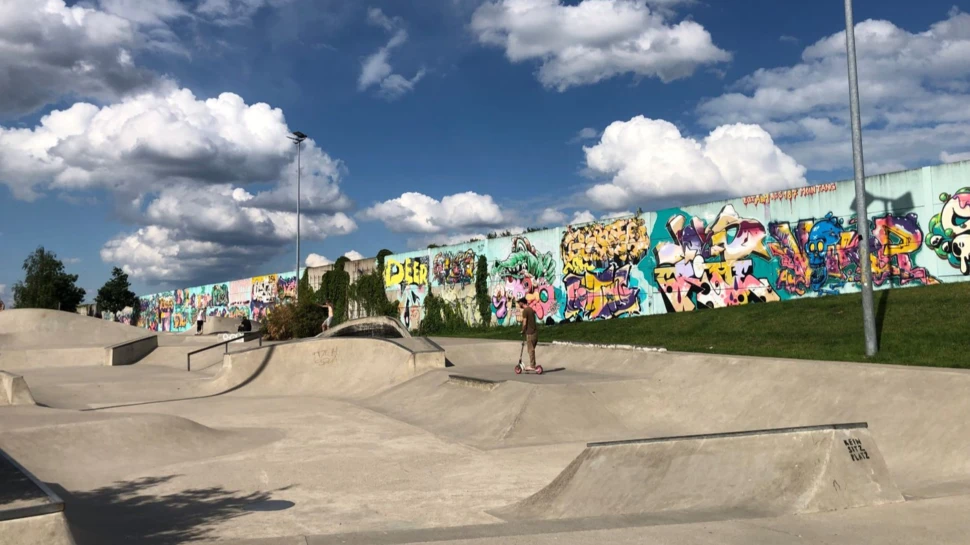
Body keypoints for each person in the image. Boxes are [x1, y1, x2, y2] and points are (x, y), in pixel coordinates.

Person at [517, 297, 538, 371]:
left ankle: (532, 366)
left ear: (522, 303)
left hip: (530, 333)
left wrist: (523, 330)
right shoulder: (531, 309)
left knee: (530, 350)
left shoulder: (525, 311)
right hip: (535, 333)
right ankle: (533, 364)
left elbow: (524, 322)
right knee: (531, 350)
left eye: (519, 302)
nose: (518, 304)